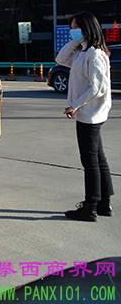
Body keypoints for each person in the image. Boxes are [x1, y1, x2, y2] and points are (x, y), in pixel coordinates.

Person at [55, 12, 114, 222]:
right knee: (98, 158)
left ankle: (90, 207)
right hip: (88, 113)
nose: (72, 31)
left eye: (75, 28)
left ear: (86, 28)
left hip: (90, 113)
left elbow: (97, 88)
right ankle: (104, 203)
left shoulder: (95, 54)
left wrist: (75, 105)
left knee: (90, 161)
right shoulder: (83, 52)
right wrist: (75, 41)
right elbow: (60, 59)